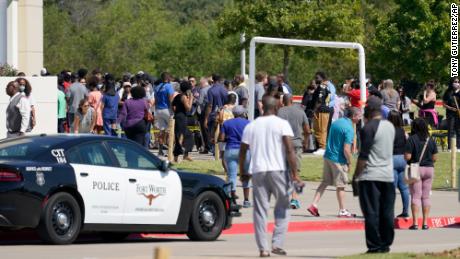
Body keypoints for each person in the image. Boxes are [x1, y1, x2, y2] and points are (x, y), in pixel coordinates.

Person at [239, 95, 303, 257]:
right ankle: (277, 242)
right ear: (276, 108)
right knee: (284, 205)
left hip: (258, 171)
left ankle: (263, 248)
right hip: (278, 171)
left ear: (263, 108)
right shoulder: (282, 124)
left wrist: (243, 172)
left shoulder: (251, 126)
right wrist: (295, 174)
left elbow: (243, 151)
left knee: (260, 210)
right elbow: (289, 150)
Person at [353, 96, 395, 254]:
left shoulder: (368, 128)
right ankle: (386, 243)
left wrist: (356, 176)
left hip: (370, 175)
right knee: (387, 212)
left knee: (371, 212)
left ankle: (374, 245)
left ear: (370, 110)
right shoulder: (390, 126)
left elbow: (363, 156)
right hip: (388, 175)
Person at [307, 107, 361, 218]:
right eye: (359, 116)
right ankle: (342, 210)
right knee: (341, 185)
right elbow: (346, 149)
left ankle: (314, 204)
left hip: (328, 156)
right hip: (338, 160)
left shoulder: (337, 122)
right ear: (354, 116)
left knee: (325, 182)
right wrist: (350, 162)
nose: (360, 118)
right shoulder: (349, 129)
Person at [277, 94, 311, 209]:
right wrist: (305, 141)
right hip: (296, 145)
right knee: (295, 172)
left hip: (283, 145)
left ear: (283, 101)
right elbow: (307, 129)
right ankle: (294, 199)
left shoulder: (280, 112)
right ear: (292, 100)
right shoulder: (300, 111)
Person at [404, 118, 438, 230]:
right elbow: (435, 158)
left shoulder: (411, 139)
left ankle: (415, 223)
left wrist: (408, 158)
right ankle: (425, 223)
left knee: (416, 196)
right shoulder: (431, 140)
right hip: (429, 169)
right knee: (426, 196)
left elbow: (408, 157)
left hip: (416, 169)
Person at [219, 105, 251, 207]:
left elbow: (222, 138)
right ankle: (246, 201)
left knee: (232, 176)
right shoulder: (248, 123)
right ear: (243, 114)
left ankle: (232, 200)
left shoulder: (226, 123)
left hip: (231, 149)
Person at [388, 111, 409, 218]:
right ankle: (405, 211)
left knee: (391, 188)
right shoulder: (402, 131)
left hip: (392, 158)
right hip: (402, 158)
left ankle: (390, 211)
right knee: (404, 188)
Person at [204, 74, 228, 153]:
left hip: (213, 115)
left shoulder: (211, 90)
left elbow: (210, 105)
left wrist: (206, 118)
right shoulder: (224, 89)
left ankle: (215, 151)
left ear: (213, 80)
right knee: (222, 133)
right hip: (223, 114)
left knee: (213, 134)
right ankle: (221, 151)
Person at [172, 81, 194, 162]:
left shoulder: (177, 96)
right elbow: (188, 108)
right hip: (182, 118)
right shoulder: (183, 97)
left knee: (184, 136)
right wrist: (191, 99)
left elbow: (173, 106)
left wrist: (177, 111)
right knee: (183, 137)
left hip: (178, 116)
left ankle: (182, 155)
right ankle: (178, 156)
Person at [154, 72, 175, 156]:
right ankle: (170, 150)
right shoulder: (169, 86)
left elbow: (155, 99)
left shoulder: (157, 87)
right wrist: (173, 109)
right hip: (167, 109)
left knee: (161, 130)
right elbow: (170, 99)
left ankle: (160, 150)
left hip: (158, 110)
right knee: (171, 130)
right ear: (168, 78)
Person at [311, 74, 332, 156]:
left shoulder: (321, 87)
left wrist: (314, 110)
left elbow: (319, 100)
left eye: (317, 78)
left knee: (321, 129)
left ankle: (322, 147)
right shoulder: (325, 87)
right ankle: (322, 147)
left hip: (321, 110)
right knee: (320, 129)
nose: (315, 79)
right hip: (324, 110)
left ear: (322, 79)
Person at [442, 77, 460, 151]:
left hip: (458, 113)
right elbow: (444, 104)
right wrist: (451, 108)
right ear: (452, 83)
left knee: (458, 130)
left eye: (458, 82)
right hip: (450, 113)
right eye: (455, 81)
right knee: (451, 129)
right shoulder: (448, 92)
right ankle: (450, 147)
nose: (457, 83)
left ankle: (458, 147)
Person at [197, 77, 211, 154]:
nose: (199, 85)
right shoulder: (211, 88)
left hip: (204, 112)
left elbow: (200, 102)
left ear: (203, 83)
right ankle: (212, 147)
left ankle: (207, 147)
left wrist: (195, 98)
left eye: (200, 83)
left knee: (204, 130)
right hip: (212, 112)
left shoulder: (202, 90)